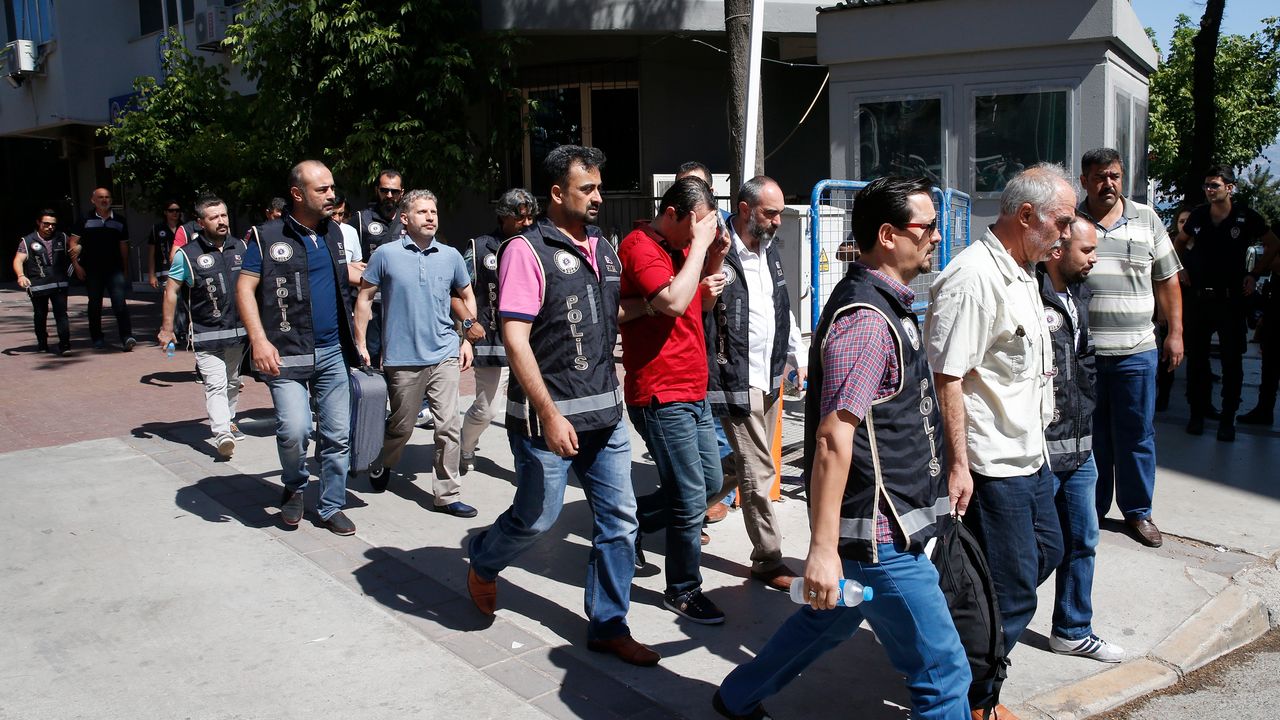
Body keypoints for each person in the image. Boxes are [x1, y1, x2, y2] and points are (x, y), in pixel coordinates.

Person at [716, 177, 969, 720]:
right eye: (927, 227)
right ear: (888, 235)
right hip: (879, 537)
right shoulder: (867, 321)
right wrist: (823, 551)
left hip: (880, 527)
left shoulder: (887, 306)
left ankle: (735, 697)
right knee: (945, 671)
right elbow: (833, 438)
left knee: (828, 620)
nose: (936, 237)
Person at [466, 145, 659, 667]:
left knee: (620, 521)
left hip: (606, 417)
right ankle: (483, 559)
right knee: (537, 517)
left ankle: (609, 624)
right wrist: (550, 415)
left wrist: (656, 304)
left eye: (599, 187)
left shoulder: (603, 247)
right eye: (586, 189)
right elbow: (515, 338)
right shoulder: (526, 251)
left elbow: (607, 313)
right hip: (546, 419)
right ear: (557, 193)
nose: (598, 197)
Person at [926, 164, 1070, 715]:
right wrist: (958, 465)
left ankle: (961, 637)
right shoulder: (973, 278)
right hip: (992, 465)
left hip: (1029, 456)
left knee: (1047, 552)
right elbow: (947, 377)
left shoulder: (1024, 271)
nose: (1066, 233)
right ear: (1027, 215)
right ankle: (972, 700)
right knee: (1010, 594)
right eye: (1061, 221)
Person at [621, 177, 730, 624]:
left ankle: (632, 521)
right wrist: (701, 247)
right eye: (695, 226)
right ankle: (683, 589)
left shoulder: (685, 247)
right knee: (688, 498)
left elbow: (696, 306)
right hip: (660, 391)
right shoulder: (639, 245)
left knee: (709, 483)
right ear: (672, 214)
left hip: (693, 386)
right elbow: (671, 302)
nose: (697, 234)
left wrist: (714, 253)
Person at [236, 160, 360, 536]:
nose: (331, 195)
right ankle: (294, 484)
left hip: (333, 351)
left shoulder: (334, 232)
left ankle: (331, 505)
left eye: (332, 187)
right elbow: (245, 289)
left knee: (337, 435)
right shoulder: (267, 236)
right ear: (297, 194)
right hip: (286, 352)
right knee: (294, 430)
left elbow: (340, 278)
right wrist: (259, 340)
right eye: (322, 189)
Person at [705, 175, 806, 592]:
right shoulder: (717, 249)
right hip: (734, 375)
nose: (778, 221)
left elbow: (781, 306)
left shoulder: (769, 249)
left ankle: (677, 510)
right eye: (771, 213)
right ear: (745, 209)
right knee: (760, 469)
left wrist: (797, 355)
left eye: (780, 213)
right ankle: (768, 558)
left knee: (742, 465)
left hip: (769, 374)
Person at [1079, 148, 1182, 548]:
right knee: (1091, 436)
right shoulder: (1071, 221)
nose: (1109, 184)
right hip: (1084, 353)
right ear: (1085, 180)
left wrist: (1175, 333)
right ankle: (1093, 509)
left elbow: (1168, 280)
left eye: (1115, 176)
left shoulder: (1147, 219)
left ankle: (1138, 512)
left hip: (1136, 351)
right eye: (1100, 177)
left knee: (1137, 435)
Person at [355, 189, 480, 518]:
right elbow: (364, 298)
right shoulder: (386, 255)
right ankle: (382, 460)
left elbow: (466, 295)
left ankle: (447, 495)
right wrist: (360, 342)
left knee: (448, 425)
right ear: (405, 218)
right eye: (422, 212)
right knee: (402, 426)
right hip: (402, 357)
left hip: (444, 352)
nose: (430, 217)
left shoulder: (451, 256)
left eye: (433, 212)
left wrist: (466, 339)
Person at [1037, 217, 1125, 663]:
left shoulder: (1080, 295)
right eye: (1087, 251)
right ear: (1058, 250)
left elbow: (1086, 362)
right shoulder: (1029, 294)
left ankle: (1072, 630)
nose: (1094, 260)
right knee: (1033, 552)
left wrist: (1085, 414)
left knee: (1083, 539)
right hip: (1039, 453)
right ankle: (979, 630)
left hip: (1080, 447)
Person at [1175, 165, 1280, 440]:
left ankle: (1227, 419)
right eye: (1207, 185)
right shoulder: (1199, 215)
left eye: (1215, 185)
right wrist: (1180, 268)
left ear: (1229, 188)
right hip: (1201, 299)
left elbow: (1273, 243)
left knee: (1232, 362)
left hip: (1231, 301)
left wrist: (1254, 274)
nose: (1209, 190)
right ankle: (1197, 413)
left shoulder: (1245, 216)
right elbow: (1179, 242)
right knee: (1197, 361)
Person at [157, 197, 248, 458]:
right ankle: (222, 434)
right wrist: (167, 329)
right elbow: (171, 291)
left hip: (239, 333)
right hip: (206, 333)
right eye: (213, 217)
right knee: (216, 384)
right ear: (200, 222)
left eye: (223, 215)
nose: (221, 221)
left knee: (233, 381)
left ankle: (229, 419)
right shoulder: (187, 254)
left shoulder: (241, 247)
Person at [459, 188, 537, 473]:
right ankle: (464, 445)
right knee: (488, 409)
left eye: (531, 217)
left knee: (530, 408)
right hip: (492, 338)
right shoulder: (480, 248)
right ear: (503, 217)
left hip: (532, 340)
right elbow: (456, 291)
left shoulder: (537, 246)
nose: (527, 223)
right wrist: (467, 327)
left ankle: (529, 464)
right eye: (521, 218)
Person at [68, 187, 135, 351]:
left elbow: (123, 246)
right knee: (94, 304)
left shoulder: (120, 220)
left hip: (114, 269)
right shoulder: (84, 219)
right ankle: (97, 337)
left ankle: (126, 337)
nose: (104, 200)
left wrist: (125, 268)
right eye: (100, 197)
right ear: (93, 200)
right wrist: (77, 266)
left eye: (107, 197)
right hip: (92, 269)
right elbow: (73, 243)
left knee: (120, 303)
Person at [353, 169, 405, 373]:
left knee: (401, 354)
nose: (389, 195)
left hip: (401, 301)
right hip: (371, 300)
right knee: (371, 354)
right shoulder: (361, 219)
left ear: (402, 193)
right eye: (384, 190)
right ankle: (373, 391)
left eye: (394, 191)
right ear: (377, 190)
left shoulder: (409, 218)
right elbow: (350, 259)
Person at [13, 209, 71, 355]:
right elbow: (18, 260)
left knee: (61, 314)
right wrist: (21, 275)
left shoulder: (62, 237)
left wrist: (78, 249)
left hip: (59, 283)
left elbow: (74, 248)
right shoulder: (28, 240)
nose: (50, 227)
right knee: (40, 315)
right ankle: (42, 343)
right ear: (38, 223)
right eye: (46, 224)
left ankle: (65, 345)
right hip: (38, 284)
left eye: (53, 224)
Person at [1241, 220, 1280, 427]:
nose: (1265, 252)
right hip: (1272, 327)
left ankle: (1265, 409)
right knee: (1269, 367)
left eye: (1268, 248)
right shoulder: (1274, 280)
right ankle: (1264, 409)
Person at [1156, 207, 1193, 412]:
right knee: (1166, 356)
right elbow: (1160, 279)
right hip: (1171, 308)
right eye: (1181, 221)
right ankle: (1163, 395)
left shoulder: (1202, 247)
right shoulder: (1170, 245)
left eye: (1189, 221)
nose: (1185, 225)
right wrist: (1162, 310)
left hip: (1194, 306)